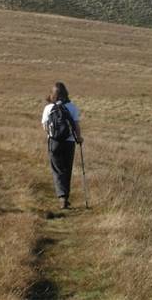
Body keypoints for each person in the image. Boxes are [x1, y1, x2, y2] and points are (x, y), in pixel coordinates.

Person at [41, 81, 83, 209]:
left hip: (54, 142)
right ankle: (65, 197)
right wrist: (79, 138)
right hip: (69, 142)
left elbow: (45, 126)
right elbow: (76, 126)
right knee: (67, 169)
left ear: (53, 94)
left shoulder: (48, 108)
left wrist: (52, 135)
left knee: (57, 169)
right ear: (66, 93)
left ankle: (62, 197)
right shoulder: (73, 107)